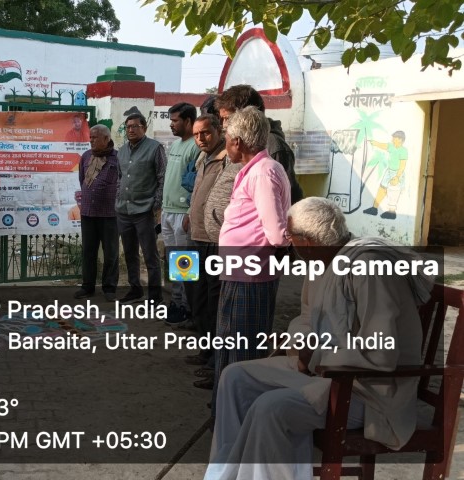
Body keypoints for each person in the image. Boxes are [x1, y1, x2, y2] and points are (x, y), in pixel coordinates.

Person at [205, 197, 432, 479]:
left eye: (291, 237)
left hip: (368, 391)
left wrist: (317, 356)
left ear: (308, 241)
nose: (289, 244)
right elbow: (306, 318)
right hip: (324, 372)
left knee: (272, 408)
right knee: (235, 377)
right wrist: (300, 343)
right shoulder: (320, 262)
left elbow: (381, 353)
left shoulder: (369, 269)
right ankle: (223, 475)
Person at [212, 106, 291, 401]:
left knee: (242, 352)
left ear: (238, 142)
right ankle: (225, 410)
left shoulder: (264, 172)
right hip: (240, 273)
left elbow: (277, 233)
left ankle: (238, 413)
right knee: (229, 346)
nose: (226, 143)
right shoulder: (254, 170)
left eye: (227, 137)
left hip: (251, 276)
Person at [182, 114, 239, 390]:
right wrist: (189, 213)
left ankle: (215, 361)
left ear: (218, 130)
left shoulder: (227, 158)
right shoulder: (202, 157)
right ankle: (204, 350)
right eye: (196, 134)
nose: (200, 139)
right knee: (194, 295)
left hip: (214, 241)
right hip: (193, 235)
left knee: (213, 301)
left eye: (205, 133)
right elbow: (198, 192)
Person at [216, 84, 304, 204]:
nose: (224, 124)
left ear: (248, 114)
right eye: (223, 119)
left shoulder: (273, 145)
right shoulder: (236, 140)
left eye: (228, 118)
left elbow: (286, 200)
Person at [115, 113, 166, 304]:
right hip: (124, 210)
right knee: (130, 254)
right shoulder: (121, 151)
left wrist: (156, 204)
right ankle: (135, 290)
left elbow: (162, 177)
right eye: (128, 127)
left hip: (145, 211)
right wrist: (118, 197)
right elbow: (120, 178)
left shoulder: (155, 148)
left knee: (150, 255)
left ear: (144, 127)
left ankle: (155, 296)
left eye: (135, 126)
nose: (131, 130)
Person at [162, 102, 200, 326]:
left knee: (184, 262)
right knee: (173, 261)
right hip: (168, 211)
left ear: (188, 121)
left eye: (175, 120)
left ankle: (186, 307)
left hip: (182, 214)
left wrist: (188, 212)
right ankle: (176, 301)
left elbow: (196, 183)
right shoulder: (176, 144)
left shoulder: (195, 146)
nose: (171, 124)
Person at [74, 124, 119, 302]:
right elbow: (82, 180)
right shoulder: (86, 156)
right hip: (88, 213)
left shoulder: (117, 158)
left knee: (111, 253)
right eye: (90, 137)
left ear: (106, 139)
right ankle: (87, 286)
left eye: (95, 137)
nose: (91, 140)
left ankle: (109, 288)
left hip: (110, 214)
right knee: (88, 251)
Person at [364, 131, 407, 220]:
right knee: (382, 188)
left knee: (393, 192)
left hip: (397, 173)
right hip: (389, 172)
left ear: (400, 139)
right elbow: (383, 145)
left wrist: (397, 177)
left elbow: (402, 166)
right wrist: (374, 143)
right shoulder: (391, 146)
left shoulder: (403, 151)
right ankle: (374, 208)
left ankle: (392, 212)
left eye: (394, 138)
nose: (392, 139)